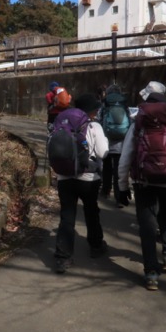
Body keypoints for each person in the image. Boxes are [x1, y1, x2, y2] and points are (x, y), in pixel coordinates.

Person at [117, 87, 166, 291]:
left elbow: (125, 157)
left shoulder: (137, 125)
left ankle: (151, 273)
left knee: (147, 227)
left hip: (143, 182)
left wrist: (122, 186)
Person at [53, 92, 110, 274]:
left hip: (64, 176)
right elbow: (103, 153)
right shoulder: (94, 126)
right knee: (91, 212)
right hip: (88, 178)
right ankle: (95, 246)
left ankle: (63, 258)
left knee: (67, 217)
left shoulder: (62, 122)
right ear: (91, 111)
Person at [99, 84, 131, 208]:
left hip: (107, 142)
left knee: (106, 168)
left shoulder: (105, 104)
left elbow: (99, 119)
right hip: (121, 144)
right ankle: (119, 198)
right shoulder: (124, 104)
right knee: (119, 170)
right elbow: (129, 121)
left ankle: (105, 191)